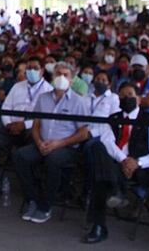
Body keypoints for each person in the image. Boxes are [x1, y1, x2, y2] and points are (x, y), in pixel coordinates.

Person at [82, 81, 149, 244]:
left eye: (130, 95)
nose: (126, 98)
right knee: (97, 147)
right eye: (122, 96)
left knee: (100, 179)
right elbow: (108, 142)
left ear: (139, 98)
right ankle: (115, 192)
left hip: (140, 169)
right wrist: (124, 160)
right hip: (115, 164)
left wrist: (137, 162)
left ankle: (99, 224)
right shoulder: (113, 119)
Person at [13, 62, 90, 224]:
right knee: (20, 156)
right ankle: (32, 198)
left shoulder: (79, 101)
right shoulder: (43, 98)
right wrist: (39, 142)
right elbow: (36, 125)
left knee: (53, 160)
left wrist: (59, 144)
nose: (61, 77)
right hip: (42, 143)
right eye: (58, 74)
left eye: (65, 75)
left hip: (66, 147)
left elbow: (83, 133)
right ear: (52, 76)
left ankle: (46, 205)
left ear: (72, 79)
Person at [0, 56, 48, 150]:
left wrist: (24, 125)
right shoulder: (17, 86)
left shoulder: (48, 90)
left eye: (35, 68)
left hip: (32, 128)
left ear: (42, 70)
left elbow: (45, 117)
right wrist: (8, 123)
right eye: (29, 68)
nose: (32, 71)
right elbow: (6, 106)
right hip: (10, 125)